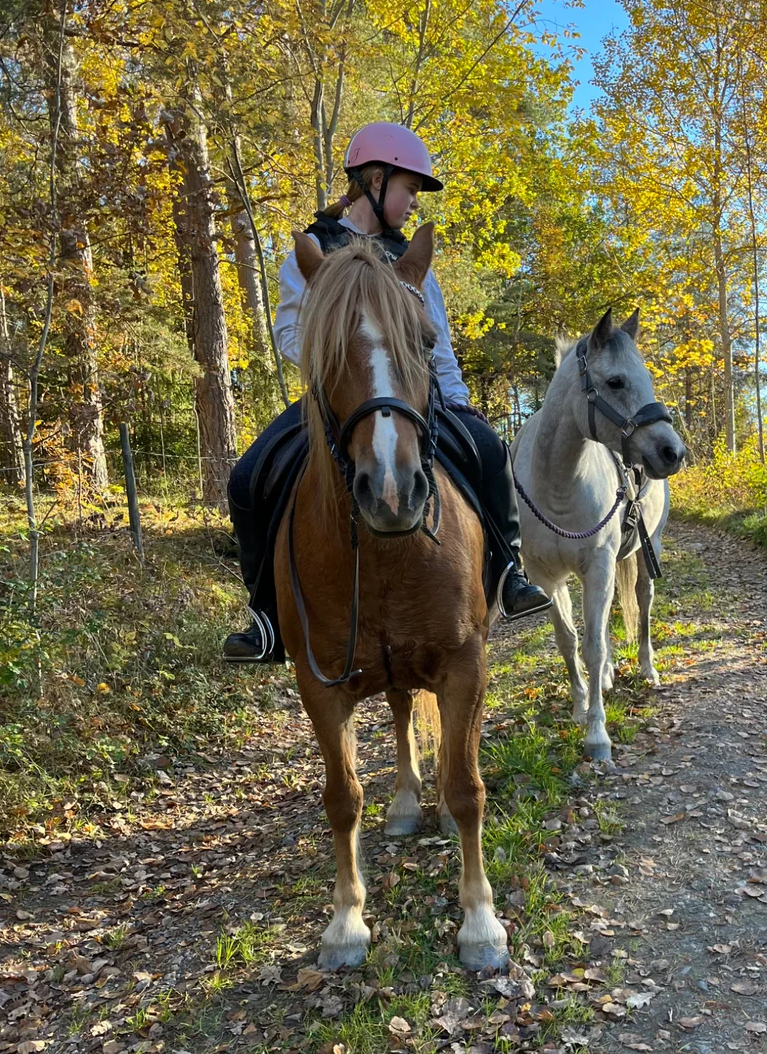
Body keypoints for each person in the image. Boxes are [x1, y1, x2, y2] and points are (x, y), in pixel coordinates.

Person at [222, 121, 550, 662]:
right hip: (338, 398)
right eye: (409, 189)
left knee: (489, 451)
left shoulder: (411, 261)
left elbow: (437, 338)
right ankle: (266, 617)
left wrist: (457, 396)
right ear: (375, 180)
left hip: (415, 395)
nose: (413, 204)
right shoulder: (315, 248)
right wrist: (343, 352)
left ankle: (509, 571)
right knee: (247, 479)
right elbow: (286, 331)